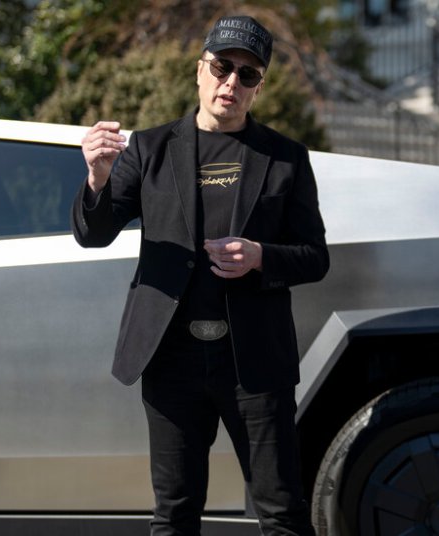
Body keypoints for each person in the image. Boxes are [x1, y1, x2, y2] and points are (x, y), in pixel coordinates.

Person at [72, 14, 327, 536]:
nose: (231, 82)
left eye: (247, 74)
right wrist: (97, 178)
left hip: (254, 362)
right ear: (199, 70)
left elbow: (314, 256)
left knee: (282, 512)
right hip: (170, 358)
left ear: (259, 86)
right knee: (174, 513)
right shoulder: (149, 149)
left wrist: (260, 256)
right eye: (221, 67)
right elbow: (94, 234)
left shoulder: (286, 158)